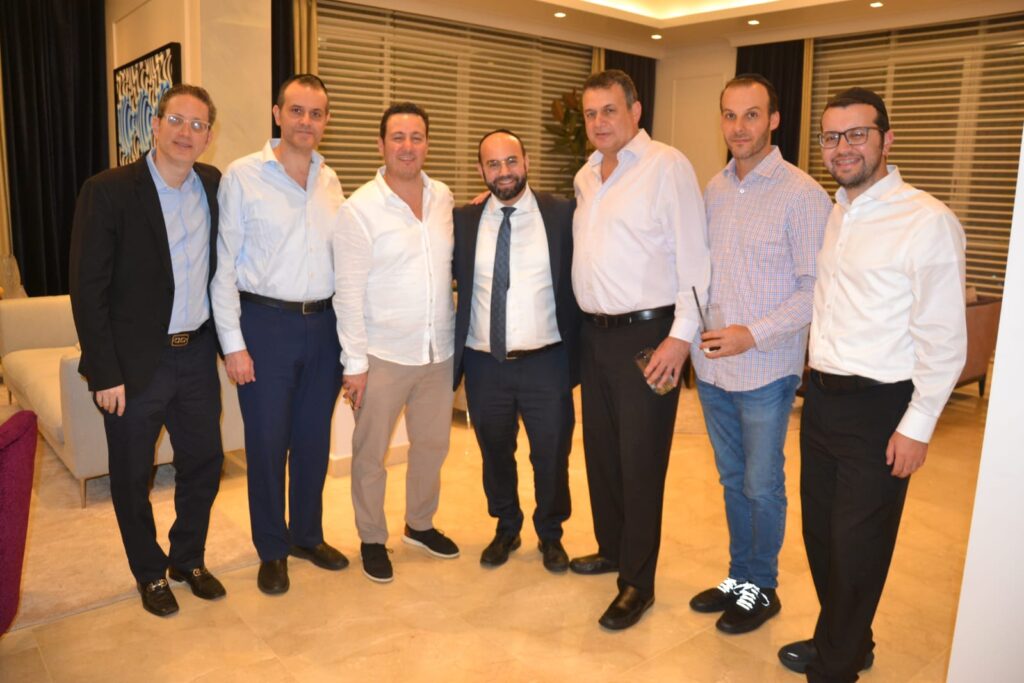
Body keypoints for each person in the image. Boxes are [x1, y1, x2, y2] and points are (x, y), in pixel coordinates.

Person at [778, 87, 967, 681]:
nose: (843, 147)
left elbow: (944, 337)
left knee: (858, 545)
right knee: (821, 536)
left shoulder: (926, 221)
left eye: (857, 134)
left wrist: (918, 425)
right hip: (823, 399)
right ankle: (848, 639)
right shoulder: (838, 212)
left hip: (880, 407)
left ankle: (837, 665)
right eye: (831, 137)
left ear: (887, 139)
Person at [70, 84, 226, 616]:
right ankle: (149, 572)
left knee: (204, 461)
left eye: (198, 125)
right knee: (133, 474)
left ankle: (188, 559)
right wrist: (103, 372)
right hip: (135, 363)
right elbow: (88, 289)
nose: (186, 133)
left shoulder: (213, 185)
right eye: (176, 120)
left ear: (208, 136)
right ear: (155, 126)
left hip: (196, 354)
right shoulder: (108, 190)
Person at [689, 74, 831, 634]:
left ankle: (762, 587)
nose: (738, 127)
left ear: (774, 120)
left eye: (751, 115)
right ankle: (739, 577)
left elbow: (814, 289)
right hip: (713, 370)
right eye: (729, 115)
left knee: (761, 484)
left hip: (766, 371)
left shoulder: (803, 194)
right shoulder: (714, 188)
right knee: (731, 479)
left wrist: (753, 334)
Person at [570, 69, 710, 630]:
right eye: (590, 113)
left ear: (635, 110)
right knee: (602, 453)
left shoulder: (666, 166)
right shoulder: (586, 175)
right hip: (595, 336)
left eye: (609, 110)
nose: (599, 122)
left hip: (648, 339)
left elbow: (694, 259)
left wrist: (680, 338)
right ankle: (611, 548)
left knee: (641, 460)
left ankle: (638, 581)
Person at [211, 74, 347, 595]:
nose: (306, 121)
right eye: (297, 110)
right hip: (265, 325)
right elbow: (224, 268)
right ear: (277, 113)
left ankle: (306, 536)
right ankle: (272, 548)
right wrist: (233, 345)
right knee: (267, 443)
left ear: (326, 121)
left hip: (324, 327)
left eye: (316, 113)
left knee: (313, 440)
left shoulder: (331, 180)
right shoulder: (243, 175)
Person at [334, 102, 459, 584]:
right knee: (370, 454)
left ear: (427, 143)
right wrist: (355, 364)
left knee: (432, 445)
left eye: (417, 137)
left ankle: (420, 525)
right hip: (382, 355)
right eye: (398, 137)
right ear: (381, 144)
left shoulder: (443, 197)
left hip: (437, 352)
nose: (408, 146)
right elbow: (347, 293)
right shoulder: (359, 209)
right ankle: (371, 537)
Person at [452, 129, 580, 573]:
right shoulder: (463, 221)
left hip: (547, 361)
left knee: (552, 453)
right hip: (485, 362)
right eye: (493, 164)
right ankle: (506, 525)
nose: (503, 171)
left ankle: (551, 533)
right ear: (481, 171)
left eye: (511, 161)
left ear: (526, 162)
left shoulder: (562, 214)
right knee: (494, 451)